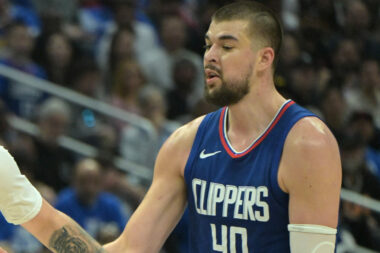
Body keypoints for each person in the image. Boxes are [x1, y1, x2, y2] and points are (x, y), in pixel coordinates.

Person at [0, 1, 341, 253]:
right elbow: (128, 250)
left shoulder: (306, 143)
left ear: (265, 58)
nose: (210, 55)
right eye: (208, 44)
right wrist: (27, 206)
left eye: (227, 46)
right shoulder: (186, 143)